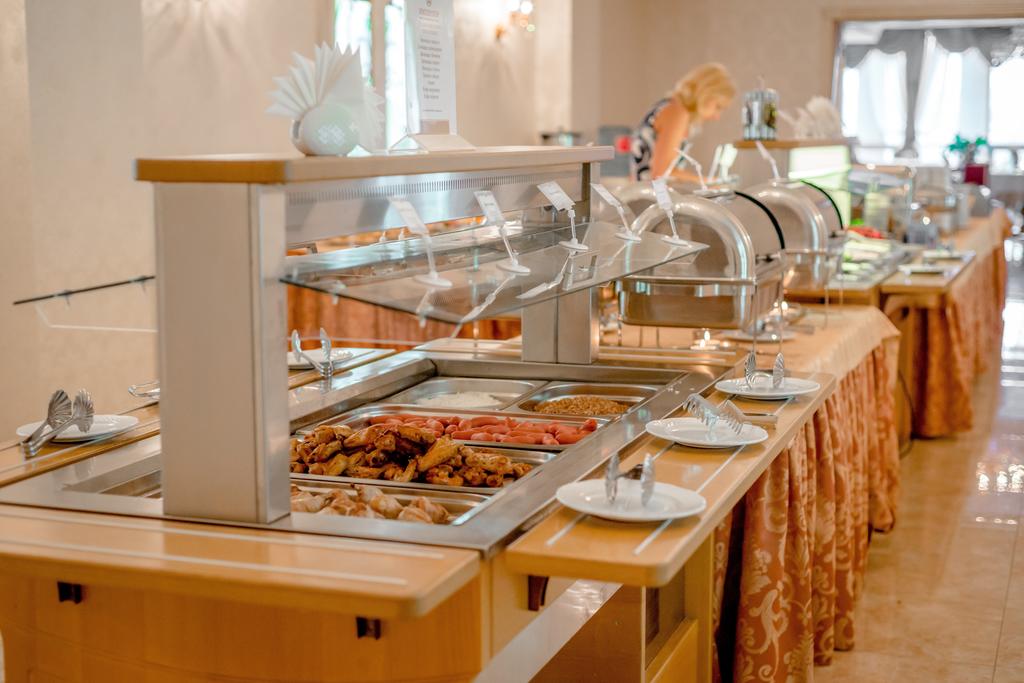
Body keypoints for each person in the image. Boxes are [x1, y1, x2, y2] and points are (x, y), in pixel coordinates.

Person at [631, 63, 736, 181]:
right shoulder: (677, 112)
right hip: (649, 192)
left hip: (644, 190)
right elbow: (661, 172)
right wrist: (710, 182)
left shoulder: (671, 107)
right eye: (718, 107)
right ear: (706, 94)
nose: (717, 117)